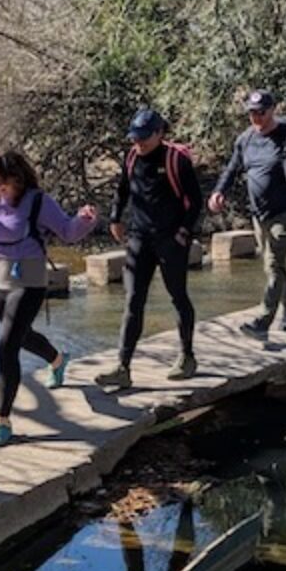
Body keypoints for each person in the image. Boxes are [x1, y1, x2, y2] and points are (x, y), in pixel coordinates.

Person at [0, 150, 97, 448]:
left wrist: (84, 220)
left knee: (6, 345)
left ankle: (2, 421)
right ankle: (58, 359)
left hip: (30, 279)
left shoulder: (38, 201)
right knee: (20, 337)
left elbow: (67, 231)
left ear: (16, 179)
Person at [96, 108, 203, 391]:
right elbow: (122, 190)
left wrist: (183, 233)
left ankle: (187, 357)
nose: (139, 143)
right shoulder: (132, 157)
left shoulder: (175, 160)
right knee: (133, 301)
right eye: (135, 137)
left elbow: (195, 201)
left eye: (144, 137)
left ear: (159, 134)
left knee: (178, 296)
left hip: (171, 239)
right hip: (139, 239)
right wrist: (116, 218)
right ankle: (123, 367)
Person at [208, 89, 286, 337]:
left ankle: (263, 321)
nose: (256, 118)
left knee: (273, 263)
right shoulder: (245, 140)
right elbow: (231, 169)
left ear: (272, 110)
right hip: (259, 213)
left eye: (261, 112)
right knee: (274, 265)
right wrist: (219, 192)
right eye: (252, 113)